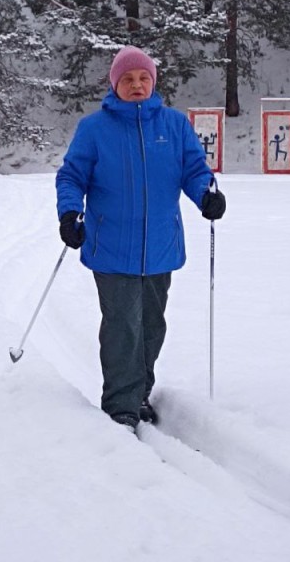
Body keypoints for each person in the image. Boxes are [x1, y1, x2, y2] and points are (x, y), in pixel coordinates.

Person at [55, 46, 226, 433]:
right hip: (111, 246)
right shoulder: (94, 129)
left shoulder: (174, 125)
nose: (136, 85)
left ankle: (139, 392)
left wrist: (206, 195)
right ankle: (121, 404)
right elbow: (71, 177)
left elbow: (195, 170)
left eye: (143, 78)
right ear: (115, 85)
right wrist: (69, 212)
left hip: (161, 246)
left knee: (151, 325)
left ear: (153, 81)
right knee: (123, 325)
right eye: (128, 79)